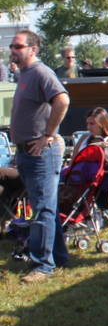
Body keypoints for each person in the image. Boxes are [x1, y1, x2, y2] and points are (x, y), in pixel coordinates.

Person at [8, 28, 71, 283]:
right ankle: (58, 256)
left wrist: (47, 135)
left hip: (41, 152)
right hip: (26, 152)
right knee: (48, 208)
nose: (13, 50)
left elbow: (63, 100)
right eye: (12, 46)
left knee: (42, 209)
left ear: (33, 49)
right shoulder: (24, 75)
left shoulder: (41, 72)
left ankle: (43, 266)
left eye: (18, 46)